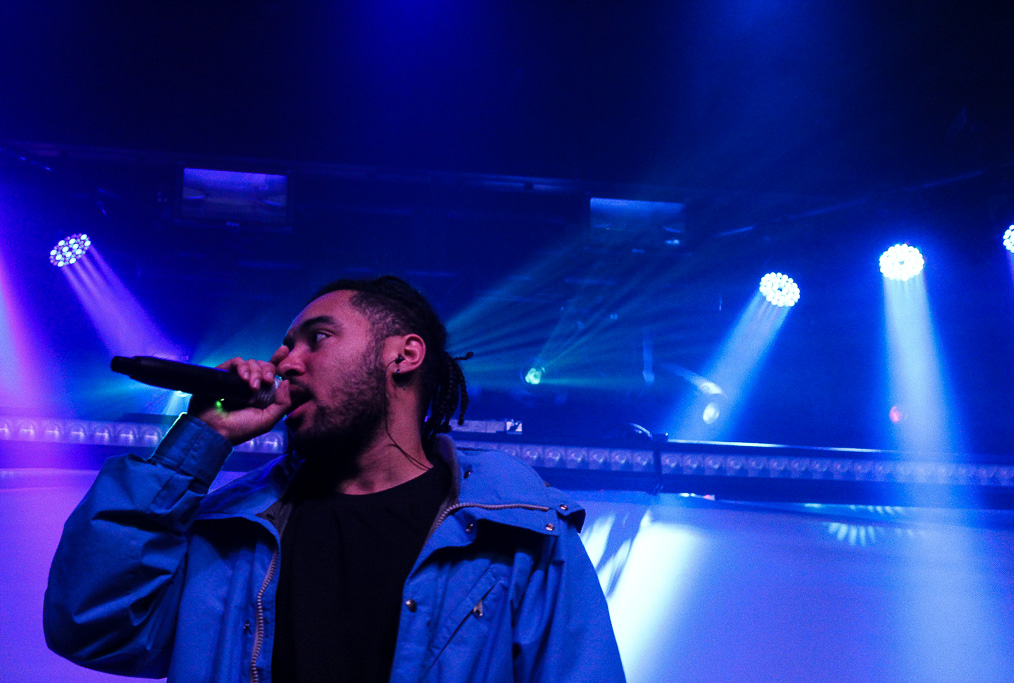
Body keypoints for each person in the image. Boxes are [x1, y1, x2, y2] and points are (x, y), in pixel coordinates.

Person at [44, 275, 626, 682]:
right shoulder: (231, 533)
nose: (284, 363)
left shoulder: (522, 536)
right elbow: (92, 626)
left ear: (403, 355)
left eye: (317, 339)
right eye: (285, 347)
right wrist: (201, 437)